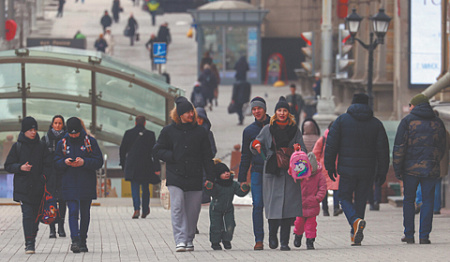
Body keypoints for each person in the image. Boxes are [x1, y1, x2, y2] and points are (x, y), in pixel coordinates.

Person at [324, 93, 389, 246]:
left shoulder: (341, 121)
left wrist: (329, 165)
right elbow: (383, 151)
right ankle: (355, 234)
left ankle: (355, 221)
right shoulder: (376, 124)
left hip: (347, 170)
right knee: (361, 200)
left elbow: (331, 145)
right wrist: (382, 171)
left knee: (344, 198)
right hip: (368, 170)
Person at [153, 97, 214, 252]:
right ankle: (180, 239)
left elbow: (207, 155)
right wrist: (172, 156)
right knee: (178, 207)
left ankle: (189, 238)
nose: (191, 115)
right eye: (187, 112)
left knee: (193, 211)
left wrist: (211, 177)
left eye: (191, 112)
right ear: (179, 114)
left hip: (195, 175)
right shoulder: (168, 131)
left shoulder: (200, 131)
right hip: (175, 176)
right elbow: (157, 150)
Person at [251, 96, 307, 251]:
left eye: (285, 110)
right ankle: (272, 236)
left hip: (290, 172)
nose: (282, 113)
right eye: (279, 110)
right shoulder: (267, 129)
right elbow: (255, 143)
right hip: (272, 171)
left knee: (289, 210)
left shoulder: (295, 130)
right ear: (275, 112)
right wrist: (255, 145)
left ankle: (284, 242)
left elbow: (303, 149)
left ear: (288, 113)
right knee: (273, 208)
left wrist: (298, 150)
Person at [393, 94, 446, 244]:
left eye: (410, 104)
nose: (409, 107)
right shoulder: (437, 122)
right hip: (430, 168)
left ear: (415, 106)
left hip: (410, 169)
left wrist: (398, 168)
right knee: (428, 201)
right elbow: (442, 146)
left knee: (409, 200)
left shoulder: (407, 122)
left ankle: (409, 235)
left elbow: (399, 147)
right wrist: (435, 160)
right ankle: (424, 236)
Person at [54, 117, 103, 253]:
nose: (74, 135)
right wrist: (65, 162)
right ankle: (74, 240)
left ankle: (83, 240)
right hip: (69, 182)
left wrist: (84, 162)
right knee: (73, 211)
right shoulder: (62, 143)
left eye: (76, 133)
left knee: (85, 213)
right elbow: (56, 162)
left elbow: (98, 161)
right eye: (71, 133)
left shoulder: (90, 142)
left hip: (86, 182)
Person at [4, 117, 52, 254]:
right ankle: (29, 243)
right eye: (30, 130)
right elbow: (8, 165)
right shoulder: (17, 146)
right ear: (24, 131)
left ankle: (33, 236)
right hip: (23, 187)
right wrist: (20, 167)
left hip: (38, 186)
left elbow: (48, 165)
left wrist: (43, 178)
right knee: (27, 215)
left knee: (36, 216)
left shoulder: (42, 146)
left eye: (34, 129)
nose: (33, 132)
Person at [238, 96, 270, 250]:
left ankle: (275, 237)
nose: (257, 111)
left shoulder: (275, 125)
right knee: (257, 205)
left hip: (274, 171)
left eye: (259, 108)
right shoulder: (249, 131)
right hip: (257, 171)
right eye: (254, 109)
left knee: (273, 205)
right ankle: (259, 239)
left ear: (265, 109)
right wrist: (242, 178)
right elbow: (245, 155)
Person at [120, 116, 161, 219]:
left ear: (135, 123)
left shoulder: (128, 133)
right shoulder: (150, 134)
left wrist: (123, 164)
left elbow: (122, 150)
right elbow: (154, 152)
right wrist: (157, 167)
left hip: (132, 165)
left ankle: (136, 209)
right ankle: (145, 209)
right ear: (145, 123)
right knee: (145, 187)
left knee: (134, 187)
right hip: (146, 164)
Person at [205, 161, 250, 250]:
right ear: (218, 175)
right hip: (216, 208)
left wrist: (245, 189)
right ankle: (215, 242)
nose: (227, 174)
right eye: (223, 173)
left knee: (230, 225)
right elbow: (211, 193)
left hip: (228, 208)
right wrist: (208, 187)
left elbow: (240, 193)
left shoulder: (232, 184)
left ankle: (226, 240)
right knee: (215, 226)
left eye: (227, 172)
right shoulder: (216, 184)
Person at [414, 110, 450, 216]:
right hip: (440, 162)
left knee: (421, 182)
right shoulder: (444, 131)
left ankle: (419, 202)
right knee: (437, 185)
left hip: (425, 160)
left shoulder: (423, 130)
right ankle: (436, 208)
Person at [293, 153, 327, 250]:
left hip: (313, 205)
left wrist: (317, 198)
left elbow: (322, 188)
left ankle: (310, 241)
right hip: (301, 205)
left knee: (311, 226)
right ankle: (298, 235)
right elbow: (294, 182)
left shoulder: (319, 176)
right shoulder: (301, 175)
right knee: (298, 223)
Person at [42, 115, 67, 239]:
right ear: (52, 124)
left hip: (62, 173)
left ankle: (61, 226)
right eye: (55, 123)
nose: (57, 125)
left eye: (60, 123)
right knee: (50, 201)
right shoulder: (46, 138)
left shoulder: (67, 138)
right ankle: (52, 227)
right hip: (49, 174)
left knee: (62, 200)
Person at [313, 121, 342, 217]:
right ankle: (330, 208)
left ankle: (331, 209)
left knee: (332, 189)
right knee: (328, 189)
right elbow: (316, 153)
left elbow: (316, 153)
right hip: (326, 168)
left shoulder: (328, 139)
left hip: (333, 167)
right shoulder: (324, 140)